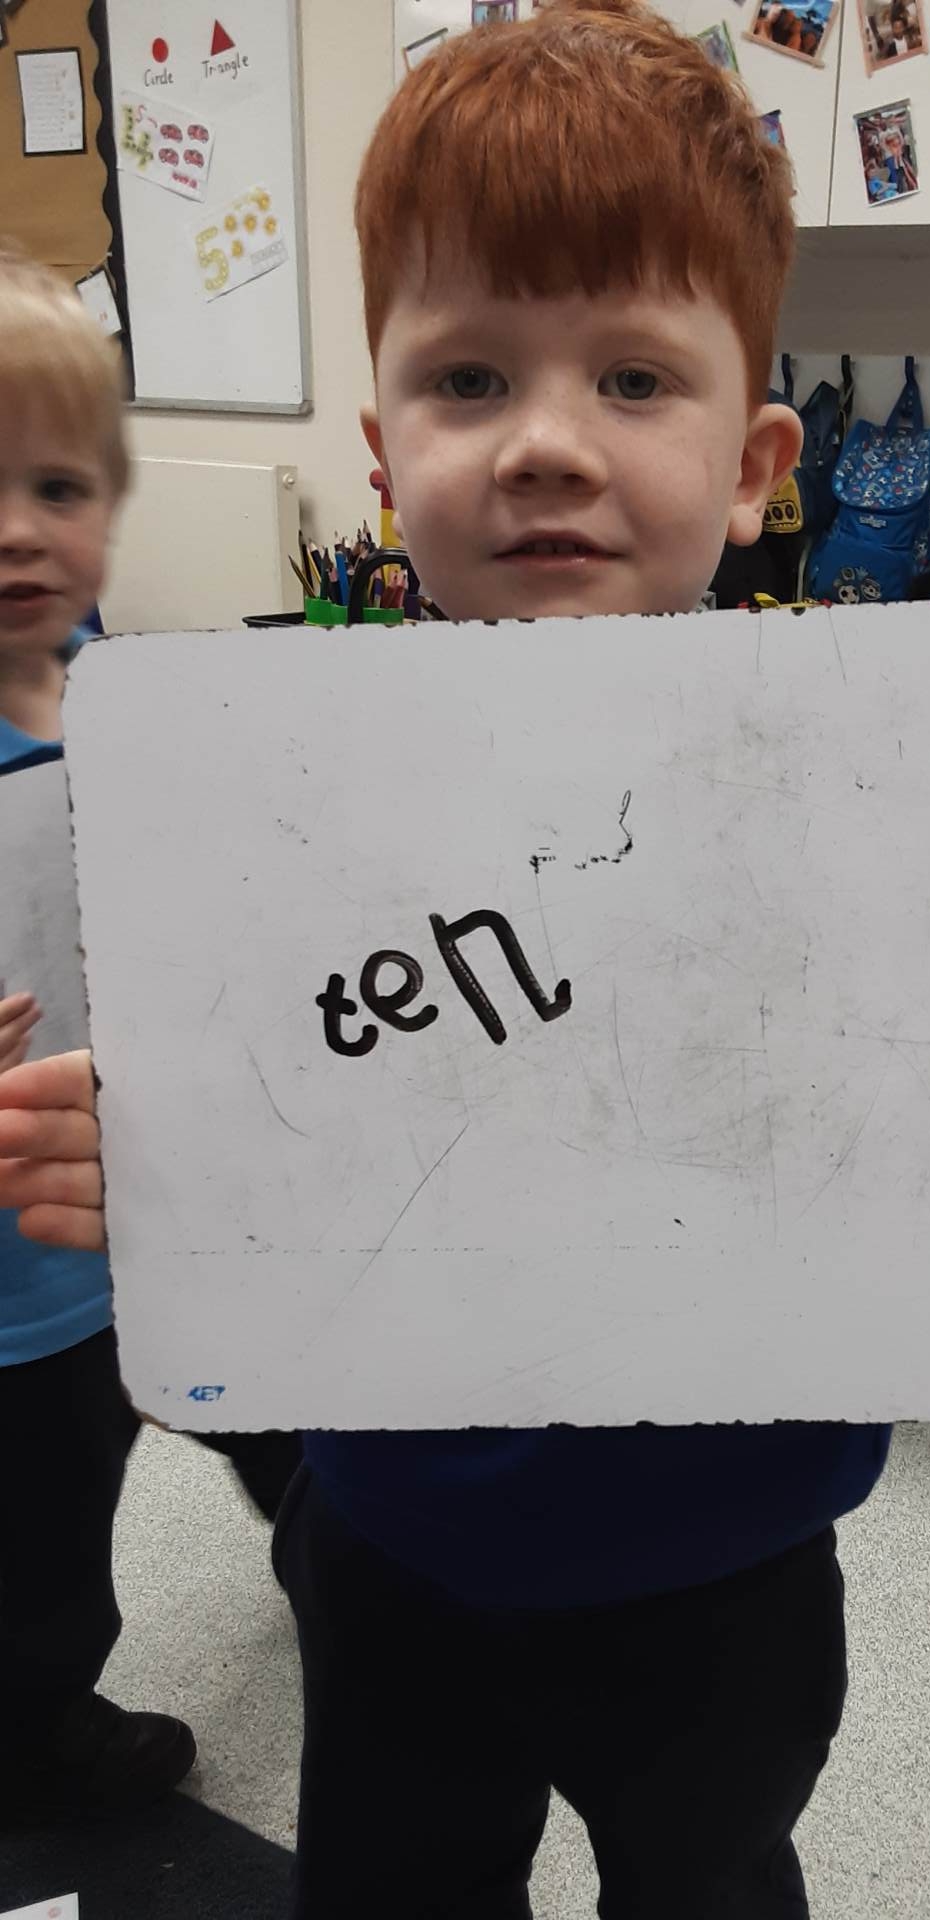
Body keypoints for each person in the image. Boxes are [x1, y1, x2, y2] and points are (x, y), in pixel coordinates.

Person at [0, 3, 930, 1909]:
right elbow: (276, 1092)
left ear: (758, 462)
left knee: (712, 1877)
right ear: (382, 451)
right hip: (394, 1546)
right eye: (469, 378)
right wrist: (157, 1164)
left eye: (633, 379)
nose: (545, 445)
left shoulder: (890, 803)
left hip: (731, 1564)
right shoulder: (285, 811)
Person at [0, 245, 300, 1828]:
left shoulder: (126, 702)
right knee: (43, 1531)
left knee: (265, 1406)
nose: (15, 530)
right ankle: (36, 1724)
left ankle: (341, 1547)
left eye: (55, 487)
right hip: (19, 1286)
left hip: (168, 1209)